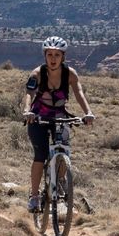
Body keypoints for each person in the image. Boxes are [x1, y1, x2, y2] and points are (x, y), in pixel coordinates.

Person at [22, 36, 95, 212]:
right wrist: (27, 111)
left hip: (60, 116)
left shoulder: (70, 74)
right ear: (45, 56)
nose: (53, 59)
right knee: (40, 154)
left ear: (63, 56)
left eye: (57, 55)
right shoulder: (37, 73)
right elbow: (29, 93)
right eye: (49, 55)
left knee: (63, 148)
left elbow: (79, 93)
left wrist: (88, 112)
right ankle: (34, 196)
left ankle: (60, 182)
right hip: (38, 116)